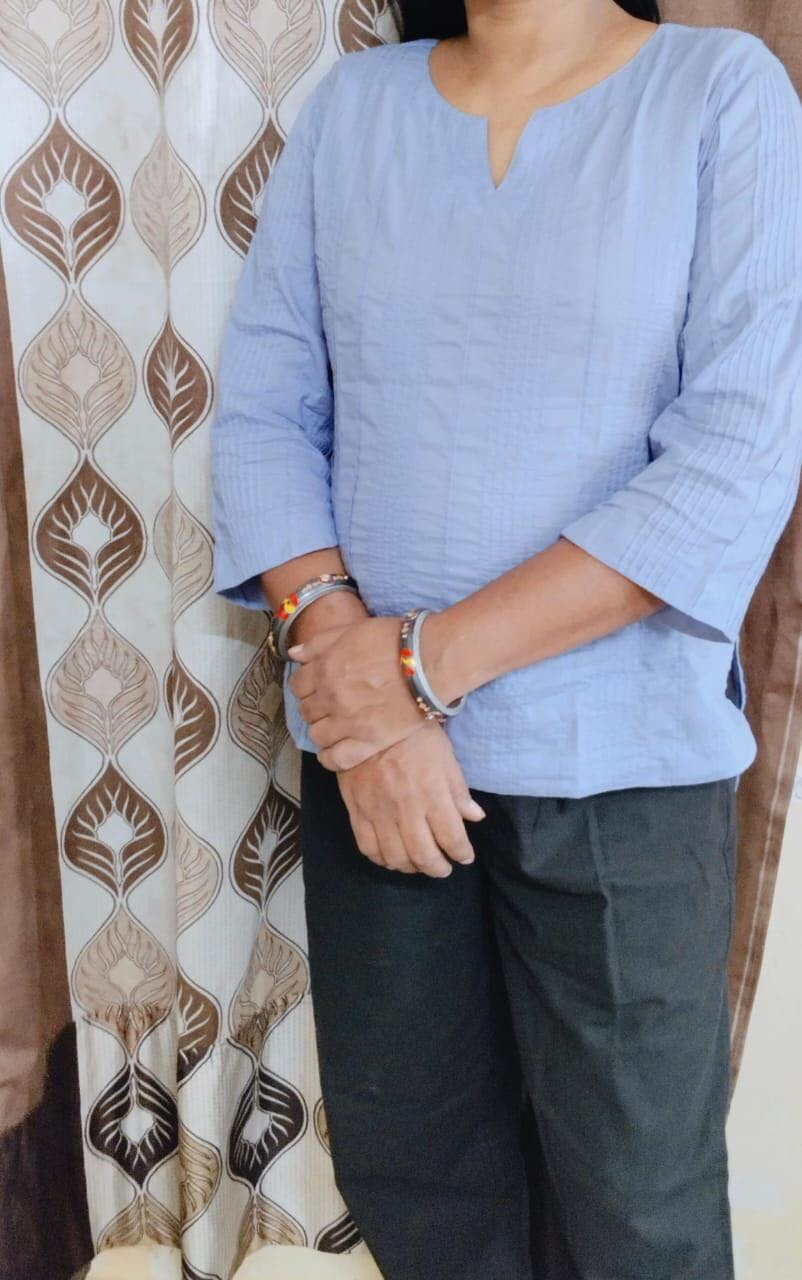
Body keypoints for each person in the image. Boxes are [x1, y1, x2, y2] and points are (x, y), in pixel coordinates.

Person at [210, 2, 802, 1276]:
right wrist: (360, 681)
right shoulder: (355, 109)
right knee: (420, 1181)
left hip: (620, 777)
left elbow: (733, 459)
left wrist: (414, 671)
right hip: (376, 771)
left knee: (637, 1212)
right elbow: (262, 413)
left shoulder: (720, 91)